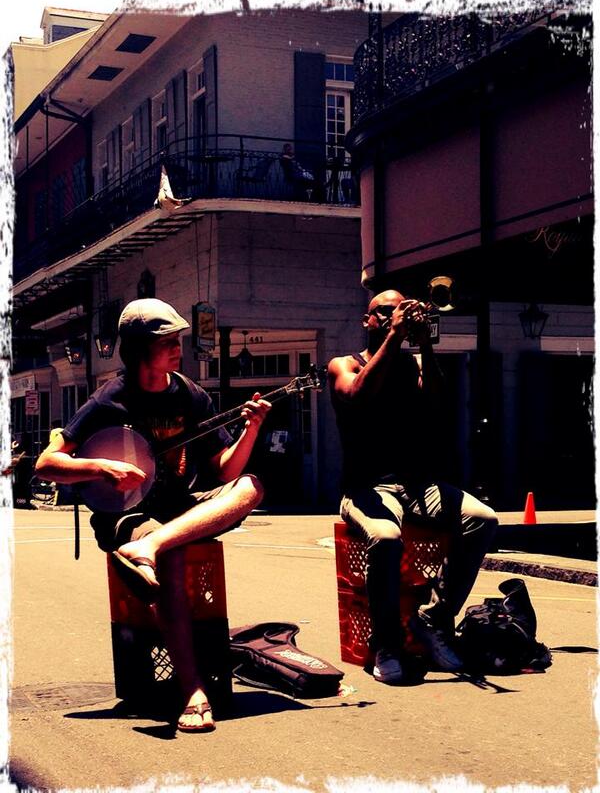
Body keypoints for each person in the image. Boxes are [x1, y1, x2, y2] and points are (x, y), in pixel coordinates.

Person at [36, 298, 272, 732]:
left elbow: (224, 470)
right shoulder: (110, 399)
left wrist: (251, 428)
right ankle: (191, 689)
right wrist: (100, 467)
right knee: (173, 559)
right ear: (140, 347)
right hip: (125, 515)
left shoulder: (189, 394)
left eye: (178, 339)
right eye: (168, 341)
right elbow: (47, 464)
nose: (177, 347)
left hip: (175, 511)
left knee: (251, 486)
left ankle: (152, 546)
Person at [327, 289, 498, 684]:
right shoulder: (343, 364)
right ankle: (386, 644)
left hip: (419, 484)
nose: (393, 316)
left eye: (400, 311)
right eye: (384, 312)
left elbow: (437, 406)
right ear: (366, 322)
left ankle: (432, 621)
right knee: (386, 538)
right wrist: (395, 337)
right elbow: (356, 398)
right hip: (366, 489)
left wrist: (425, 347)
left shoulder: (409, 364)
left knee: (483, 519)